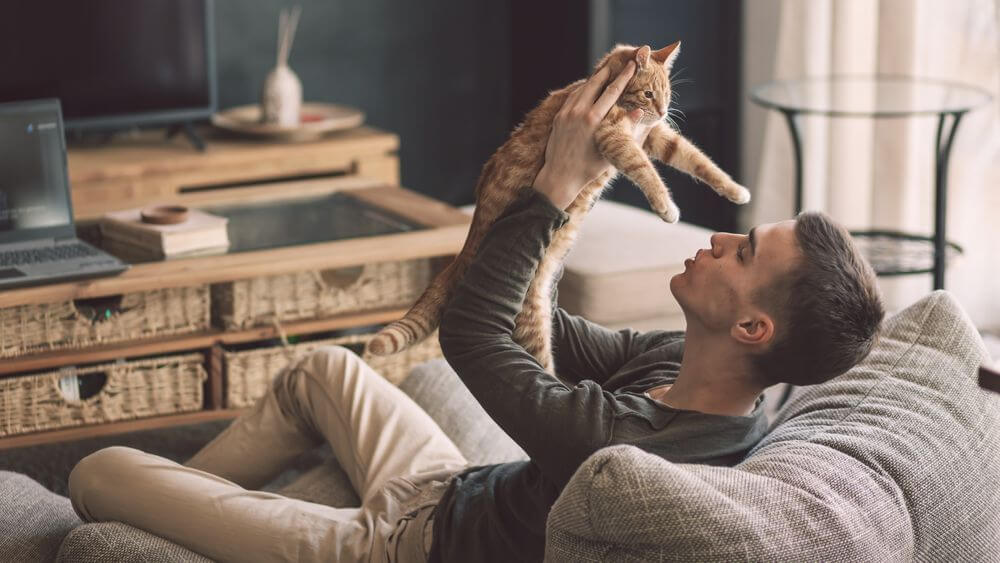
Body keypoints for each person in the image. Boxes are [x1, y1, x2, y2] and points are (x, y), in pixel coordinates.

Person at [68, 62, 884, 563]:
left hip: (398, 548)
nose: (723, 239)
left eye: (745, 252)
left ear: (753, 329)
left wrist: (554, 192)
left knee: (95, 470)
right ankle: (183, 523)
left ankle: (165, 519)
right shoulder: (686, 368)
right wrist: (548, 201)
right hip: (447, 487)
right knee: (324, 368)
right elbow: (539, 323)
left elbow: (471, 333)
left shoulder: (631, 451)